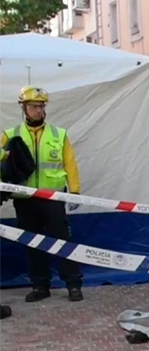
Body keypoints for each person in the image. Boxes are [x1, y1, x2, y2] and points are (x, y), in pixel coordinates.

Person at [0, 86, 85, 302]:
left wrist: (74, 191)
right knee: (32, 243)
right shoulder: (10, 135)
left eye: (41, 106)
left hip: (53, 197)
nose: (38, 110)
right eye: (33, 106)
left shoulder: (59, 134)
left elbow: (70, 163)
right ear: (24, 108)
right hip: (25, 199)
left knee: (63, 240)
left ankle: (73, 284)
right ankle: (40, 285)